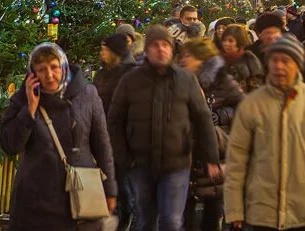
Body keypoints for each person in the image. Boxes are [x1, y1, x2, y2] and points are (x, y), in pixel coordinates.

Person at [224, 34, 305, 230]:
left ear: (298, 64)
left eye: (285, 61)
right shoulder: (251, 105)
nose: (279, 66)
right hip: (260, 213)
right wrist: (234, 209)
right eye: (274, 60)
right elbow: (236, 161)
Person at [108, 25, 221, 231]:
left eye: (165, 45)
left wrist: (211, 157)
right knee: (146, 220)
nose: (161, 49)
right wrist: (124, 157)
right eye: (156, 45)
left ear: (171, 49)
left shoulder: (186, 80)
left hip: (176, 163)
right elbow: (115, 121)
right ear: (147, 50)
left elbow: (202, 118)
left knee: (171, 221)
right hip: (140, 164)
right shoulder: (130, 80)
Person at [0, 42, 117, 230]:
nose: (49, 75)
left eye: (54, 67)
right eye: (41, 69)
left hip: (78, 197)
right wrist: (29, 109)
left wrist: (110, 190)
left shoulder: (87, 94)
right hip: (34, 202)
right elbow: (9, 145)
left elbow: (102, 145)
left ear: (63, 65)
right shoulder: (24, 97)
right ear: (33, 73)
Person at [178, 38, 245, 231]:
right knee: (184, 212)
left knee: (212, 206)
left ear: (201, 58)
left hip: (217, 148)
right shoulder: (180, 80)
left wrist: (219, 115)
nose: (183, 60)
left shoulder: (221, 80)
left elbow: (243, 107)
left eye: (188, 56)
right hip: (188, 150)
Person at [94, 32, 136, 112]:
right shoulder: (100, 73)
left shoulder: (129, 74)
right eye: (102, 49)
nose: (102, 53)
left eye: (106, 50)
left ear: (115, 52)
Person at [220, 24, 264, 93]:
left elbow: (256, 86)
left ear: (239, 42)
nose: (226, 44)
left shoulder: (249, 59)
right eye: (224, 40)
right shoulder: (218, 60)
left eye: (230, 41)